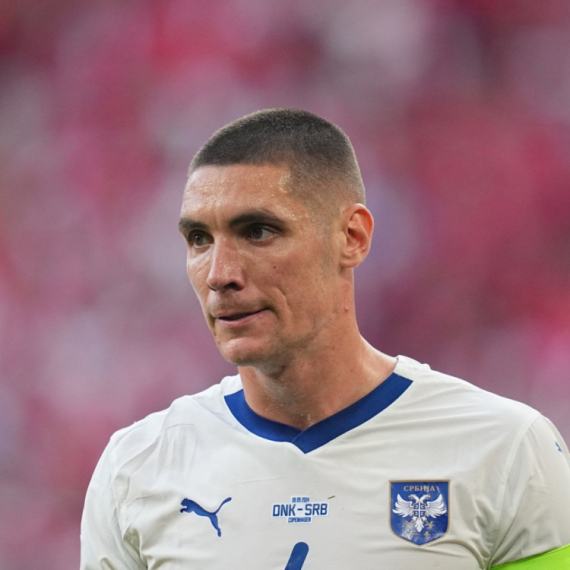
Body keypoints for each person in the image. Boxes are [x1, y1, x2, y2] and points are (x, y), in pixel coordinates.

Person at [80, 109, 570, 570]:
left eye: (258, 231)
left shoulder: (505, 450)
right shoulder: (136, 469)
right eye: (199, 239)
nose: (219, 274)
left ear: (352, 237)